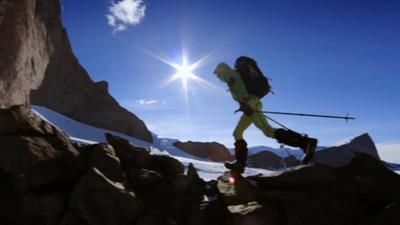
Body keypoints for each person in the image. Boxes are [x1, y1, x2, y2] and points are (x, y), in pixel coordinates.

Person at [213, 56, 318, 173]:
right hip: (249, 106)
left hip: (252, 105)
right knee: (237, 133)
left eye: (217, 73)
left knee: (268, 131)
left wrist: (246, 103)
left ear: (221, 70)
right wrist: (244, 104)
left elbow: (242, 90)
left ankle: (306, 142)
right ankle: (240, 164)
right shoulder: (231, 77)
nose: (217, 76)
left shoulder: (230, 76)